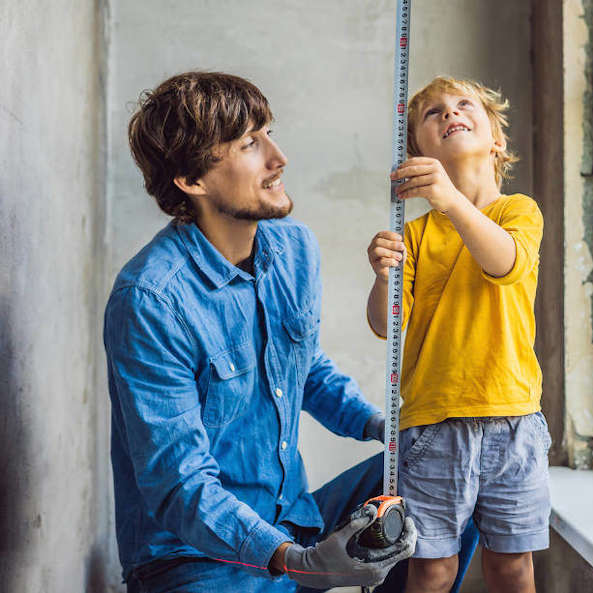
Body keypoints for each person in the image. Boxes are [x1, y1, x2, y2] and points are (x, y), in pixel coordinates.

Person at [104, 71, 478, 593]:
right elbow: (179, 487)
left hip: (297, 523)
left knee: (458, 468)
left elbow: (303, 369)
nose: (278, 158)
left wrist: (382, 428)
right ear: (192, 180)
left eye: (269, 132)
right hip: (193, 559)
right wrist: (299, 561)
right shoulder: (151, 300)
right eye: (249, 144)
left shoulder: (293, 248)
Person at [366, 76, 551, 593]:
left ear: (497, 140)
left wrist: (450, 201)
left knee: (513, 566)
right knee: (430, 568)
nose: (450, 114)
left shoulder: (518, 212)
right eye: (432, 114)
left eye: (464, 105)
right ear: (418, 153)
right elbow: (386, 326)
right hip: (431, 426)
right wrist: (383, 279)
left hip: (513, 419)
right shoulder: (414, 235)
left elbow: (504, 264)